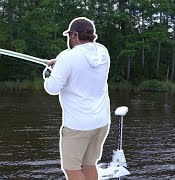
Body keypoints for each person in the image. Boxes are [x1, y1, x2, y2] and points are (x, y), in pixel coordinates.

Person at [43, 17, 111, 180]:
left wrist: (48, 73)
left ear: (73, 35)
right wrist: (59, 64)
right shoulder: (102, 51)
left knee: (71, 168)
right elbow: (79, 64)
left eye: (69, 35)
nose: (68, 39)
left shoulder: (67, 57)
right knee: (89, 164)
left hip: (78, 126)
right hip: (101, 122)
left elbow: (51, 88)